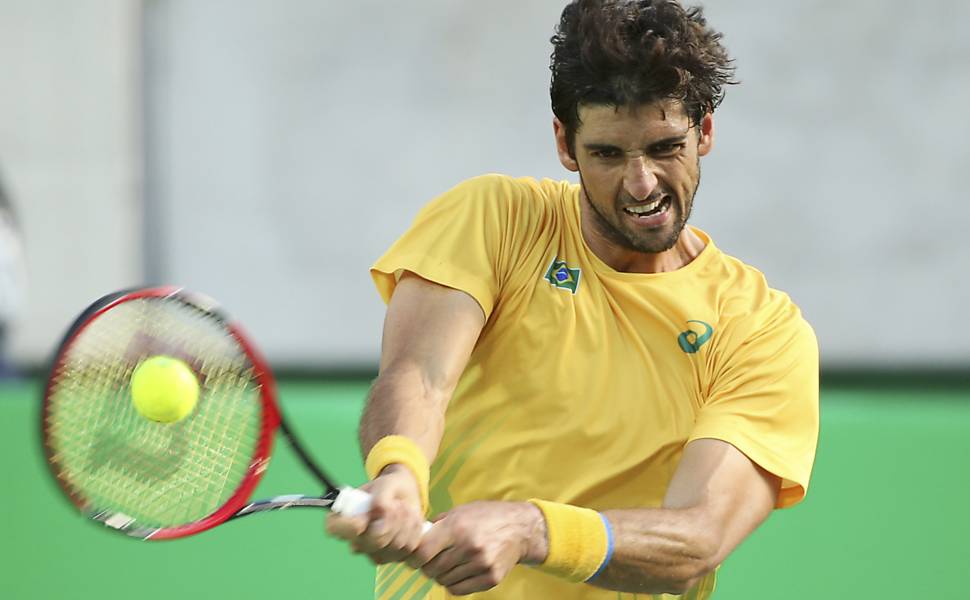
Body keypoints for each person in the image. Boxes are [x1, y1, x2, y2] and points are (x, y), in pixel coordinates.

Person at [327, 1, 819, 598]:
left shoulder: (762, 330)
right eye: (609, 154)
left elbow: (699, 536)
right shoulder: (494, 218)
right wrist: (399, 469)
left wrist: (533, 531)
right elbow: (420, 376)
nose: (641, 183)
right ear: (566, 144)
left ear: (705, 132)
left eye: (665, 147)